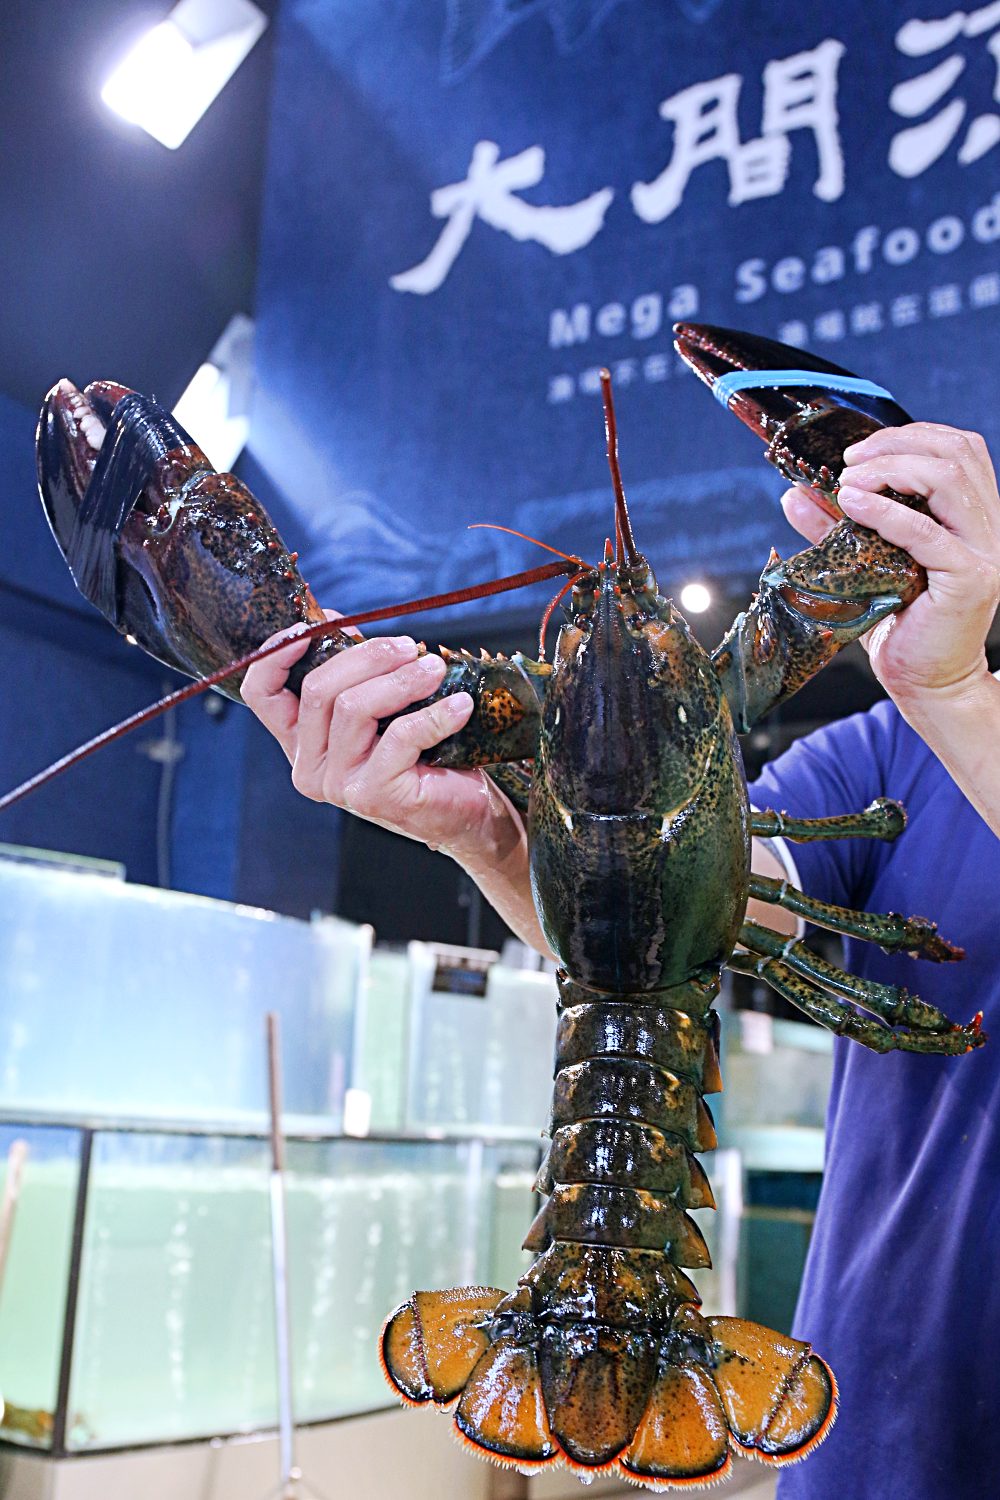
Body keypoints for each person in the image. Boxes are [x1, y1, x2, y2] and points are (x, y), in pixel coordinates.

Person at [243, 421, 1000, 1500]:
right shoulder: (887, 747)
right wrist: (483, 833)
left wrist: (960, 695)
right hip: (875, 1420)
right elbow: (664, 937)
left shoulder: (938, 706)